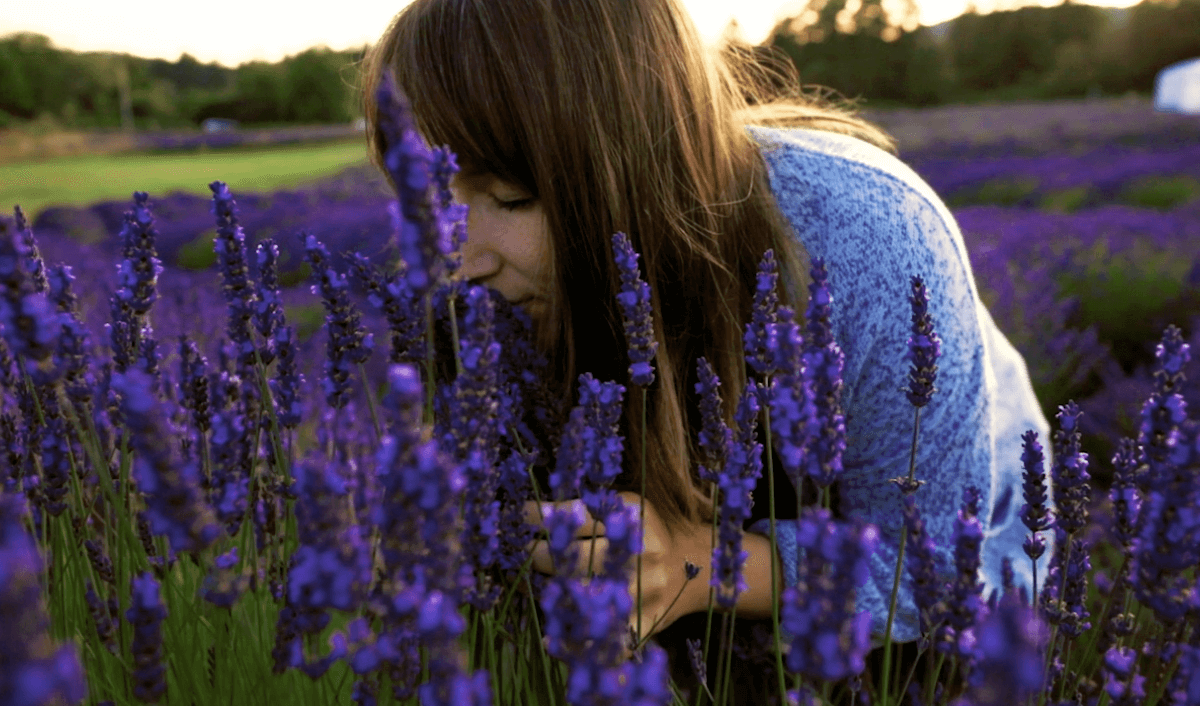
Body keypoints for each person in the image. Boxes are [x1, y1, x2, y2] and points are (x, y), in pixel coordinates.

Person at [360, 0, 1051, 698]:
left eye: (508, 198)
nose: (456, 258)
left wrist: (697, 559)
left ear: (627, 164)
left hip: (943, 560)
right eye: (422, 199)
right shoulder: (472, 284)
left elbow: (923, 577)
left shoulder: (867, 239)